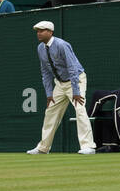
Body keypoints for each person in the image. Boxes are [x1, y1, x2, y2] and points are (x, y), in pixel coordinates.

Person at [27, 21, 97, 154]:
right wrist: (49, 94)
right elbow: (45, 72)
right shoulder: (40, 48)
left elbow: (72, 68)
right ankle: (43, 148)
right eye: (37, 31)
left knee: (80, 109)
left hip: (76, 80)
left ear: (50, 32)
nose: (39, 33)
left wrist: (76, 91)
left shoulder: (62, 45)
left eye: (42, 30)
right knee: (50, 113)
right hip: (59, 84)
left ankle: (88, 146)